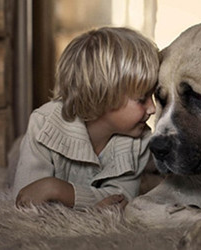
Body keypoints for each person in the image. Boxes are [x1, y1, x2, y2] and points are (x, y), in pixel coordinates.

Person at [12, 26, 159, 210]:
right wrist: (95, 203)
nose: (153, 108)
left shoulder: (140, 141)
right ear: (105, 95)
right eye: (142, 99)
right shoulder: (43, 124)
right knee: (16, 155)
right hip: (31, 145)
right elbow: (26, 198)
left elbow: (121, 201)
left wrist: (57, 189)